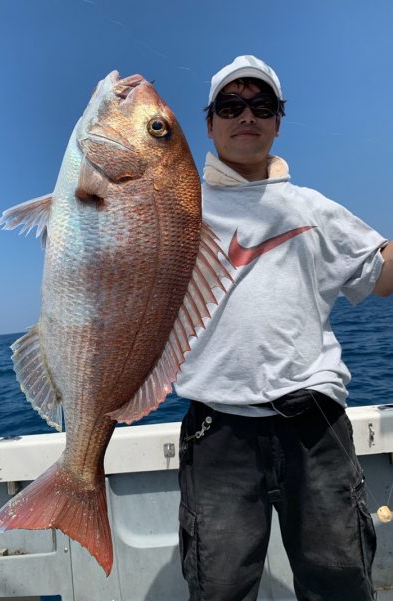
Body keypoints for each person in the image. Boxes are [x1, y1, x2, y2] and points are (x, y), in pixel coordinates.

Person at [174, 55, 393, 601]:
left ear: (277, 120)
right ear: (209, 123)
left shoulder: (310, 205)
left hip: (312, 423)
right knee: (218, 590)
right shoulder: (177, 208)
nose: (246, 115)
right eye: (231, 105)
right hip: (216, 428)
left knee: (339, 585)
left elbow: (380, 274)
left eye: (261, 105)